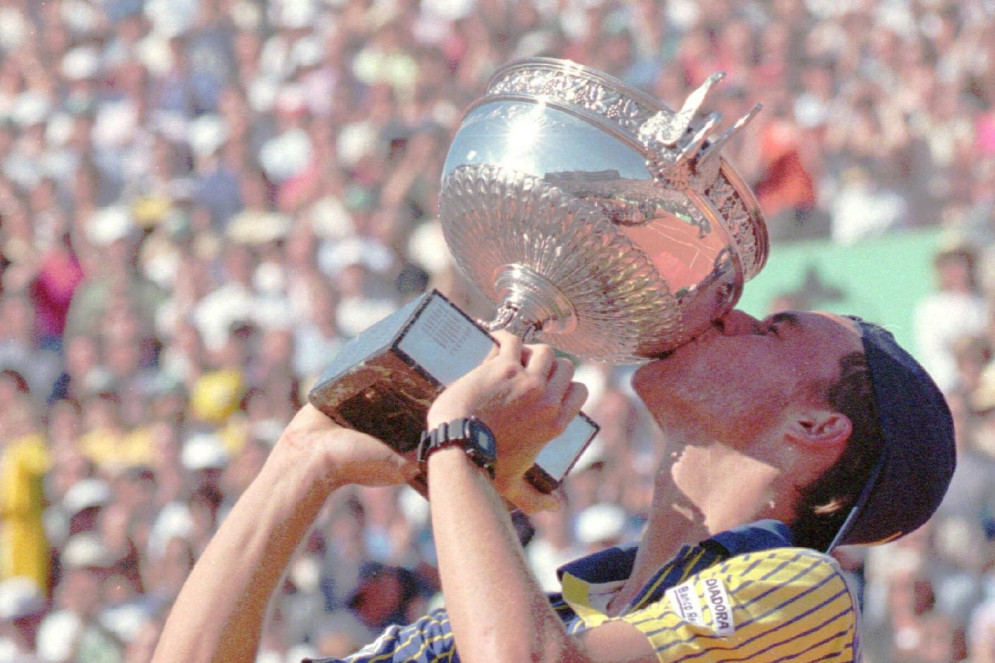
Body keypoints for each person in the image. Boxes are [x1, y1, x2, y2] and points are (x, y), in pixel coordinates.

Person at [151, 307, 955, 662]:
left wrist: (459, 439)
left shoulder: (805, 591)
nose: (729, 315)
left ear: (813, 425)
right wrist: (301, 464)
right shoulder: (555, 608)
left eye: (772, 330)